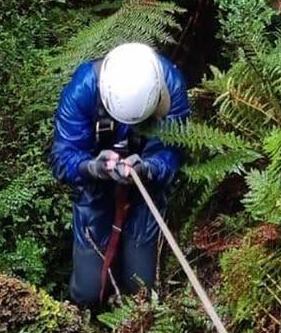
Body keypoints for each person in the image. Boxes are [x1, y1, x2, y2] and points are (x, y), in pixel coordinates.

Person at [50, 42, 190, 307]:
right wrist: (92, 167)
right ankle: (87, 325)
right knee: (88, 291)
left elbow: (172, 152)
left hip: (148, 184)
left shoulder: (169, 84)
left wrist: (149, 168)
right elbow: (63, 156)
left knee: (141, 286)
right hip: (94, 183)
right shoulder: (84, 89)